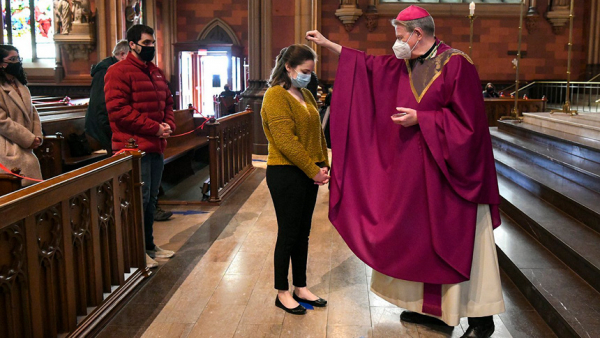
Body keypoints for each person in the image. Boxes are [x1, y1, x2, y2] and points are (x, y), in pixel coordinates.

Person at [307, 5, 503, 338]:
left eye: (399, 35)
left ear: (417, 33)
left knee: (462, 244)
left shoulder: (457, 64)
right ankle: (438, 312)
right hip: (419, 175)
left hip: (454, 178)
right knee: (423, 242)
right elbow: (367, 66)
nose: (395, 42)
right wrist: (328, 44)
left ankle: (481, 321)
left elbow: (470, 126)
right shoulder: (406, 62)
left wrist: (422, 119)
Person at [261, 44, 330, 315]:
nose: (308, 76)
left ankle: (301, 287)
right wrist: (311, 169)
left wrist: (323, 164)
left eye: (311, 72)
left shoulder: (306, 95)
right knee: (288, 233)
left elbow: (318, 134)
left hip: (307, 171)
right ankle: (282, 292)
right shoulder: (274, 96)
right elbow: (285, 141)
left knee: (303, 233)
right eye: (304, 71)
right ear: (288, 68)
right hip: (286, 172)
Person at [105, 24, 176, 269]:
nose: (151, 47)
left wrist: (167, 124)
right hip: (133, 148)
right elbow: (119, 111)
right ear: (132, 44)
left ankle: (149, 246)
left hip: (155, 146)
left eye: (153, 42)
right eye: (146, 43)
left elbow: (168, 100)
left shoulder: (154, 72)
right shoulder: (118, 71)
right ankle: (135, 252)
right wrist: (154, 127)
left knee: (151, 200)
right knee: (138, 200)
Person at [0, 45, 43, 186]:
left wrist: (37, 136)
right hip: (7, 145)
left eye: (18, 58)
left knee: (32, 169)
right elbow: (2, 122)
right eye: (12, 59)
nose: (17, 62)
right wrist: (28, 138)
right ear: (1, 64)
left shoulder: (21, 85)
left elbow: (33, 112)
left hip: (25, 144)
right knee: (26, 171)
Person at [85, 40, 129, 153]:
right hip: (101, 132)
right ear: (122, 55)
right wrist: (112, 132)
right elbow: (101, 105)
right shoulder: (104, 72)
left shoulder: (117, 70)